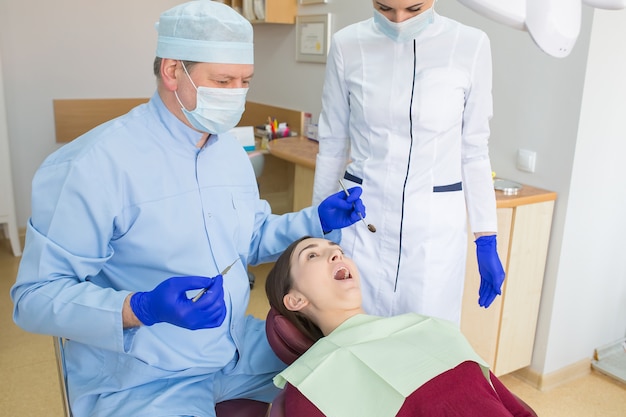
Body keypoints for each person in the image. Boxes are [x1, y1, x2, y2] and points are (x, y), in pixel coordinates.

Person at [10, 2, 365, 416]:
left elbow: (248, 240)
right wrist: (139, 307)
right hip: (145, 374)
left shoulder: (229, 152)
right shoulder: (93, 166)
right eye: (222, 80)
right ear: (172, 71)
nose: (236, 94)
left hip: (234, 349)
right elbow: (33, 299)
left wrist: (317, 221)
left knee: (349, 386)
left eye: (244, 81)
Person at [311, 0, 505, 324]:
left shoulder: (469, 44)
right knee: (356, 334)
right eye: (384, 8)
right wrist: (317, 227)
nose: (398, 20)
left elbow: (473, 150)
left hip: (432, 228)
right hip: (363, 220)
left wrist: (486, 235)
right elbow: (332, 141)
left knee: (426, 346)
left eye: (413, 9)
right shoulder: (347, 44)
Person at [265, 236, 534, 417]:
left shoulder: (430, 328)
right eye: (312, 256)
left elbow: (512, 407)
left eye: (339, 250)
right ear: (295, 299)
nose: (336, 254)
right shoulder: (313, 384)